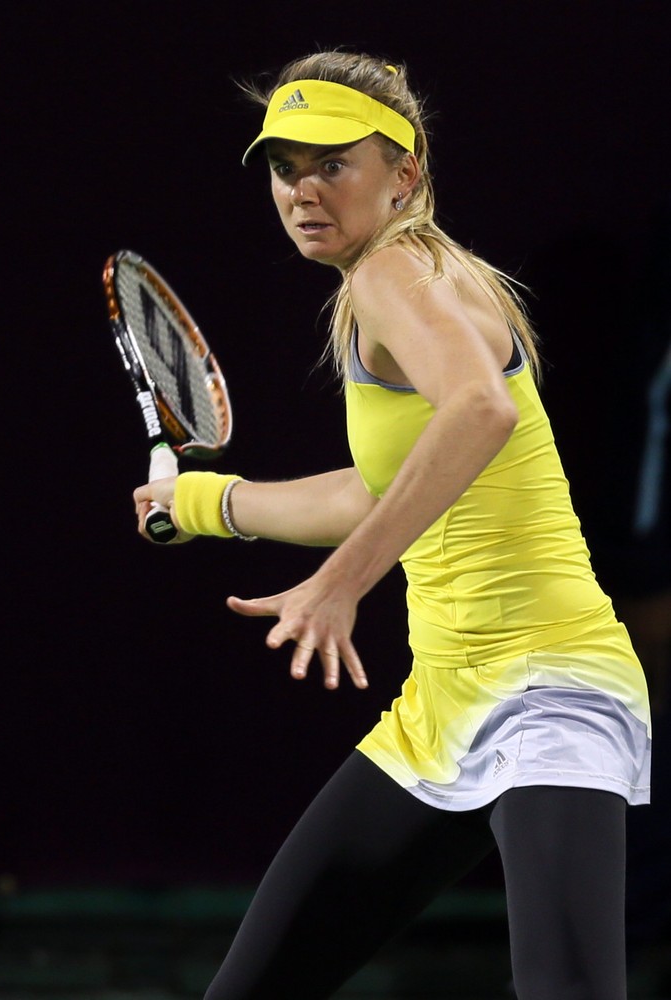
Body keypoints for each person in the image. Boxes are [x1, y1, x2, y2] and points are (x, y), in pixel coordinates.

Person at [133, 51, 652, 1000]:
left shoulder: (391, 274)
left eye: (333, 164)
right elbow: (379, 494)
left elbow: (480, 412)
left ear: (403, 173)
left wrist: (342, 582)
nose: (303, 191)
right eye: (285, 168)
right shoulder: (412, 280)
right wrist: (204, 503)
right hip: (444, 705)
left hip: (551, 688)